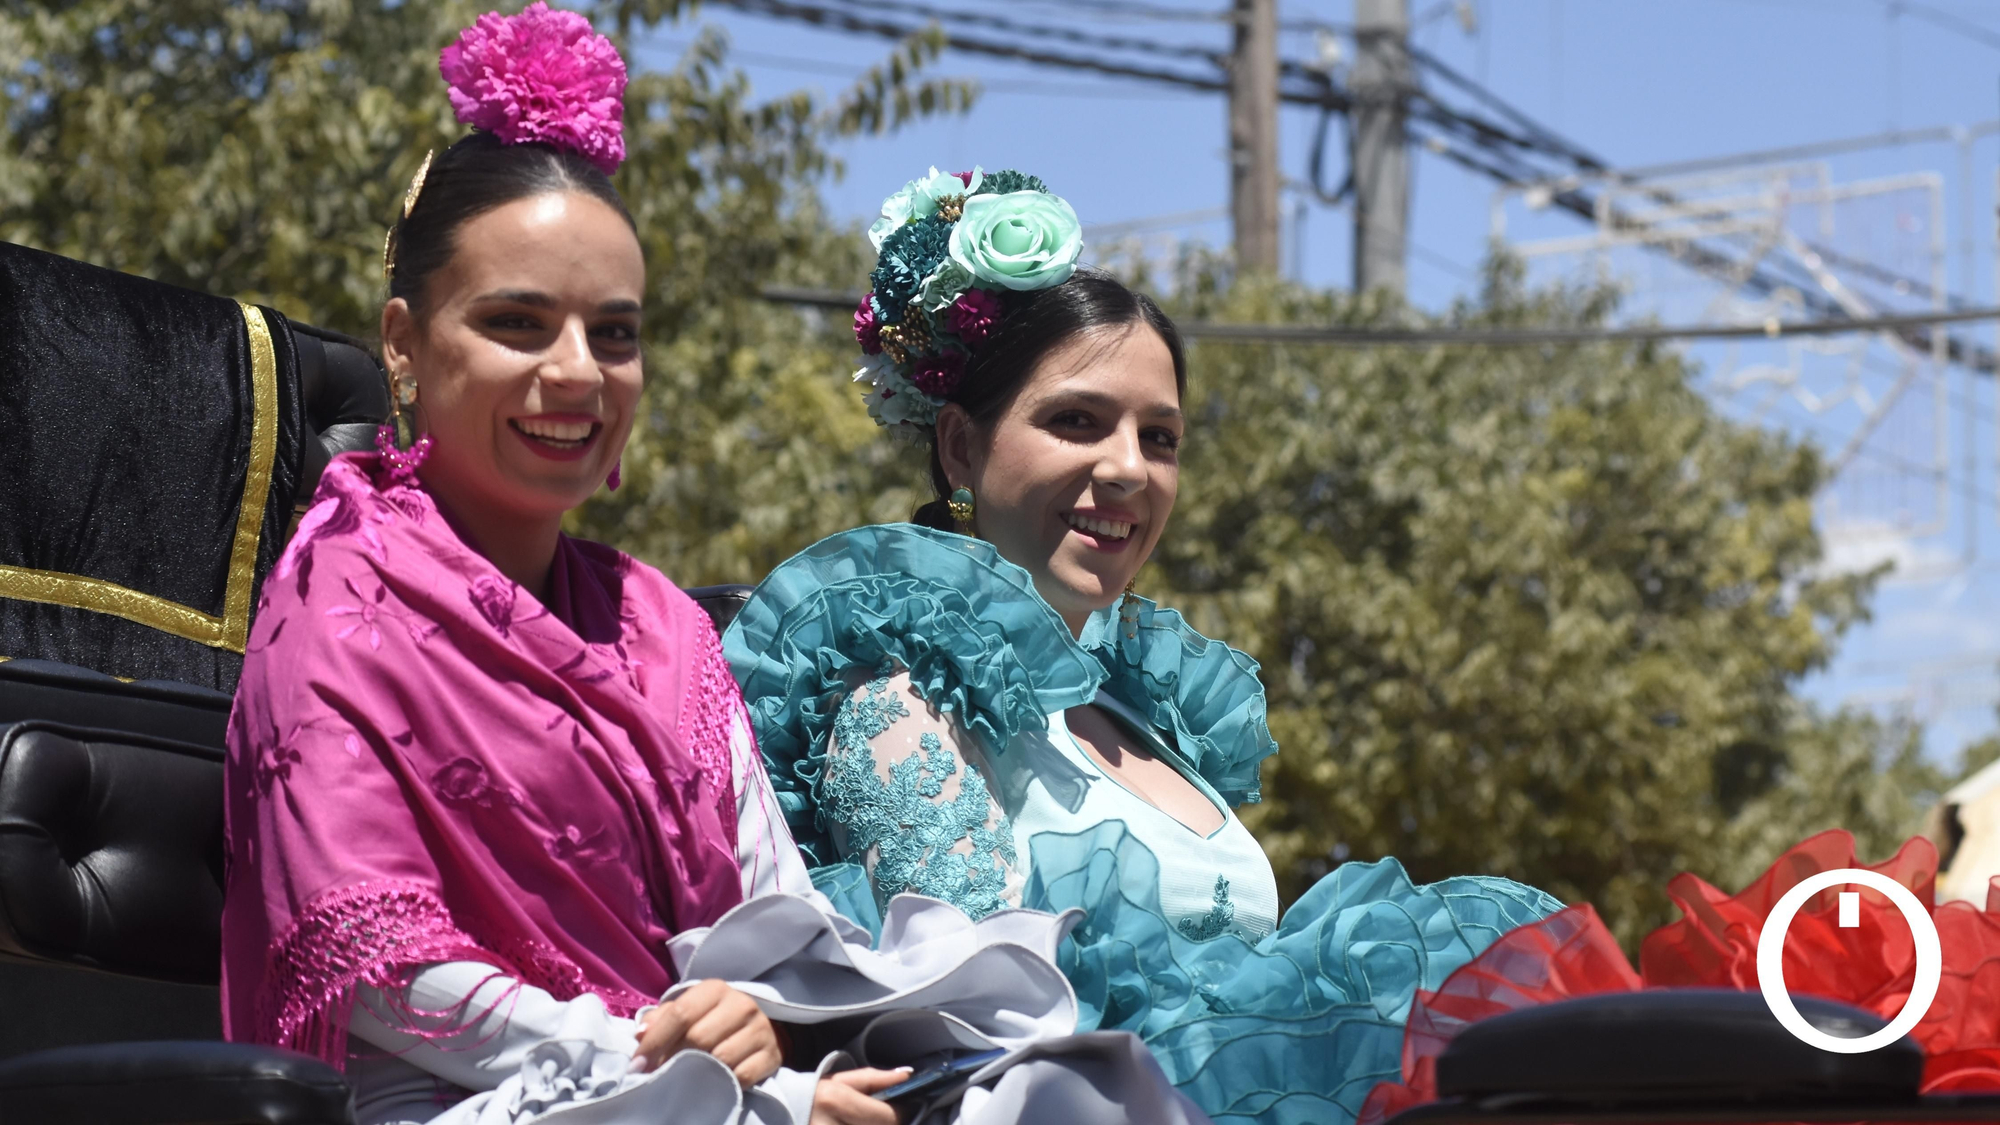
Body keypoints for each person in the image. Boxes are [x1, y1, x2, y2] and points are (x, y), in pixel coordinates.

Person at [221, 12, 1210, 1125]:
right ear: (403, 343)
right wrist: (664, 1052)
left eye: (615, 334)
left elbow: (771, 914)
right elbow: (376, 963)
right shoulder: (339, 609)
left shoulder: (657, 623)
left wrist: (785, 1057)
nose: (575, 373)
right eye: (516, 324)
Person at [724, 167, 1564, 1125]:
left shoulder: (1148, 714)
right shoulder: (896, 697)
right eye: (1076, 421)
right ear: (960, 447)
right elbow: (980, 1024)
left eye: (1158, 437)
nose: (1126, 469)